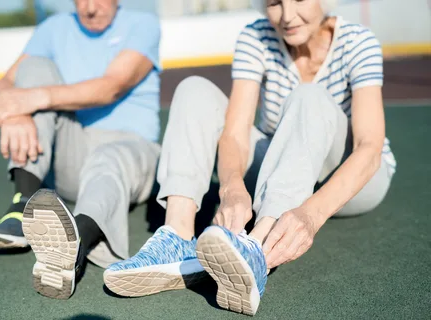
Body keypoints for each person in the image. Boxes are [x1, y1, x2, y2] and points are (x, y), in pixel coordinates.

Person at [103, 0, 396, 316]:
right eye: (273, 3)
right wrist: (231, 187)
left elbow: (369, 149)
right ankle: (177, 238)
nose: (286, 16)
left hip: (352, 175)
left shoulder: (358, 42)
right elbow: (236, 131)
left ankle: (256, 248)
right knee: (195, 90)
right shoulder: (256, 37)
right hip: (283, 165)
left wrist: (311, 214)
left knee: (309, 95)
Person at [0, 0, 161, 300]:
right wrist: (16, 113)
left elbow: (110, 87)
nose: (89, 8)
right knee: (35, 66)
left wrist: (31, 99)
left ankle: (75, 242)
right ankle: (23, 202)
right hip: (74, 153)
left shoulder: (143, 25)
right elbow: (4, 85)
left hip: (133, 148)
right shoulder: (53, 28)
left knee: (108, 157)